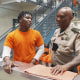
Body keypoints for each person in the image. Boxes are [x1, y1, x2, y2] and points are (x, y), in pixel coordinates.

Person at [50, 7, 80, 75]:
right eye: (57, 16)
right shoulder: (57, 30)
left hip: (68, 70)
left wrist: (65, 66)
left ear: (71, 18)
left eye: (62, 17)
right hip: (54, 68)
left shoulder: (76, 33)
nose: (58, 19)